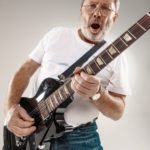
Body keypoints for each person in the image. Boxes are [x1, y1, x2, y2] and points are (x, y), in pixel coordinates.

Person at [4, 0, 131, 149]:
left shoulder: (117, 57)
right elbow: (24, 72)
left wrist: (98, 93)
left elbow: (118, 112)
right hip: (32, 129)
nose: (97, 13)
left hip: (81, 139)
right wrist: (10, 108)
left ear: (114, 17)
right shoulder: (56, 35)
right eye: (91, 5)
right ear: (81, 10)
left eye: (105, 8)